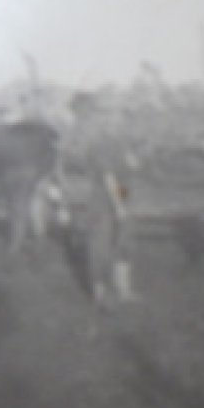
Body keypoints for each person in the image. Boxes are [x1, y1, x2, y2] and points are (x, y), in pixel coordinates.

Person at [64, 92, 135, 307]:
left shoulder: (119, 142)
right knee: (100, 245)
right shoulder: (100, 143)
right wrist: (120, 206)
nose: (114, 121)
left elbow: (130, 166)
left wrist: (131, 162)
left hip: (120, 193)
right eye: (109, 117)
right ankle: (100, 294)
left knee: (125, 241)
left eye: (118, 117)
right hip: (102, 199)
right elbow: (108, 177)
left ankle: (124, 291)